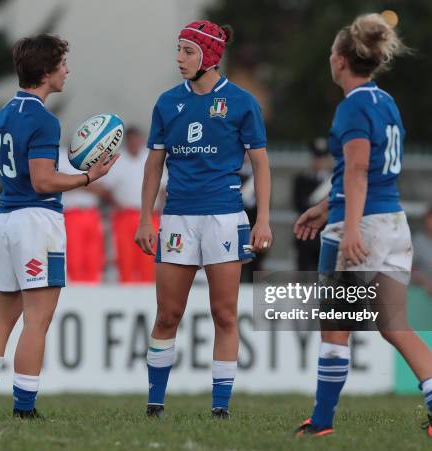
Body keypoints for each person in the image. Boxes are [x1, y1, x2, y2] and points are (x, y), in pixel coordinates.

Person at [293, 13, 432, 438]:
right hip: (392, 222)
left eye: (333, 52)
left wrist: (347, 227)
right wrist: (327, 207)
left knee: (334, 329)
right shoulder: (385, 101)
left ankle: (323, 423)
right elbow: (373, 174)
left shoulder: (351, 106)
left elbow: (359, 169)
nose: (330, 59)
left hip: (363, 224)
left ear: (343, 60)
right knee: (395, 324)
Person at [0, 34, 118, 419]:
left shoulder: (5, 112)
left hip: (5, 219)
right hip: (36, 221)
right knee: (38, 319)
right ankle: (25, 409)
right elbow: (43, 181)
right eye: (62, 64)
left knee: (2, 316)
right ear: (46, 72)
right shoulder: (43, 120)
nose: (66, 71)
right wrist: (89, 177)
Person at [135, 20, 272, 419]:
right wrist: (147, 218)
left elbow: (261, 165)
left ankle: (220, 408)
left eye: (188, 51)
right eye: (178, 49)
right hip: (177, 218)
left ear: (210, 56)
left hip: (225, 218)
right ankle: (155, 404)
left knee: (225, 314)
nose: (179, 58)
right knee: (167, 315)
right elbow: (153, 166)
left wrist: (262, 219)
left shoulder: (243, 103)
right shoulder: (166, 103)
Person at [100, 126, 164, 283]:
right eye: (132, 140)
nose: (135, 143)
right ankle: (126, 289)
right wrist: (116, 204)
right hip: (125, 215)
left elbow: (162, 188)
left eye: (137, 139)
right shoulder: (118, 160)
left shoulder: (149, 157)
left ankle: (148, 291)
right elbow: (106, 188)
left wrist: (161, 209)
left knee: (149, 258)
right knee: (125, 256)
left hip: (149, 215)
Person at [58, 149, 106, 283]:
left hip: (92, 212)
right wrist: (87, 181)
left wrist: (76, 182)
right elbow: (60, 182)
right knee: (74, 256)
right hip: (72, 212)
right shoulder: (61, 156)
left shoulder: (96, 153)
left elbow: (102, 188)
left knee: (94, 256)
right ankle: (75, 290)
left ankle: (93, 290)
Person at [292, 138, 332, 271]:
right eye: (316, 157)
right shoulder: (301, 179)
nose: (319, 161)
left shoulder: (335, 181)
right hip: (306, 237)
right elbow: (298, 205)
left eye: (322, 157)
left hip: (328, 236)